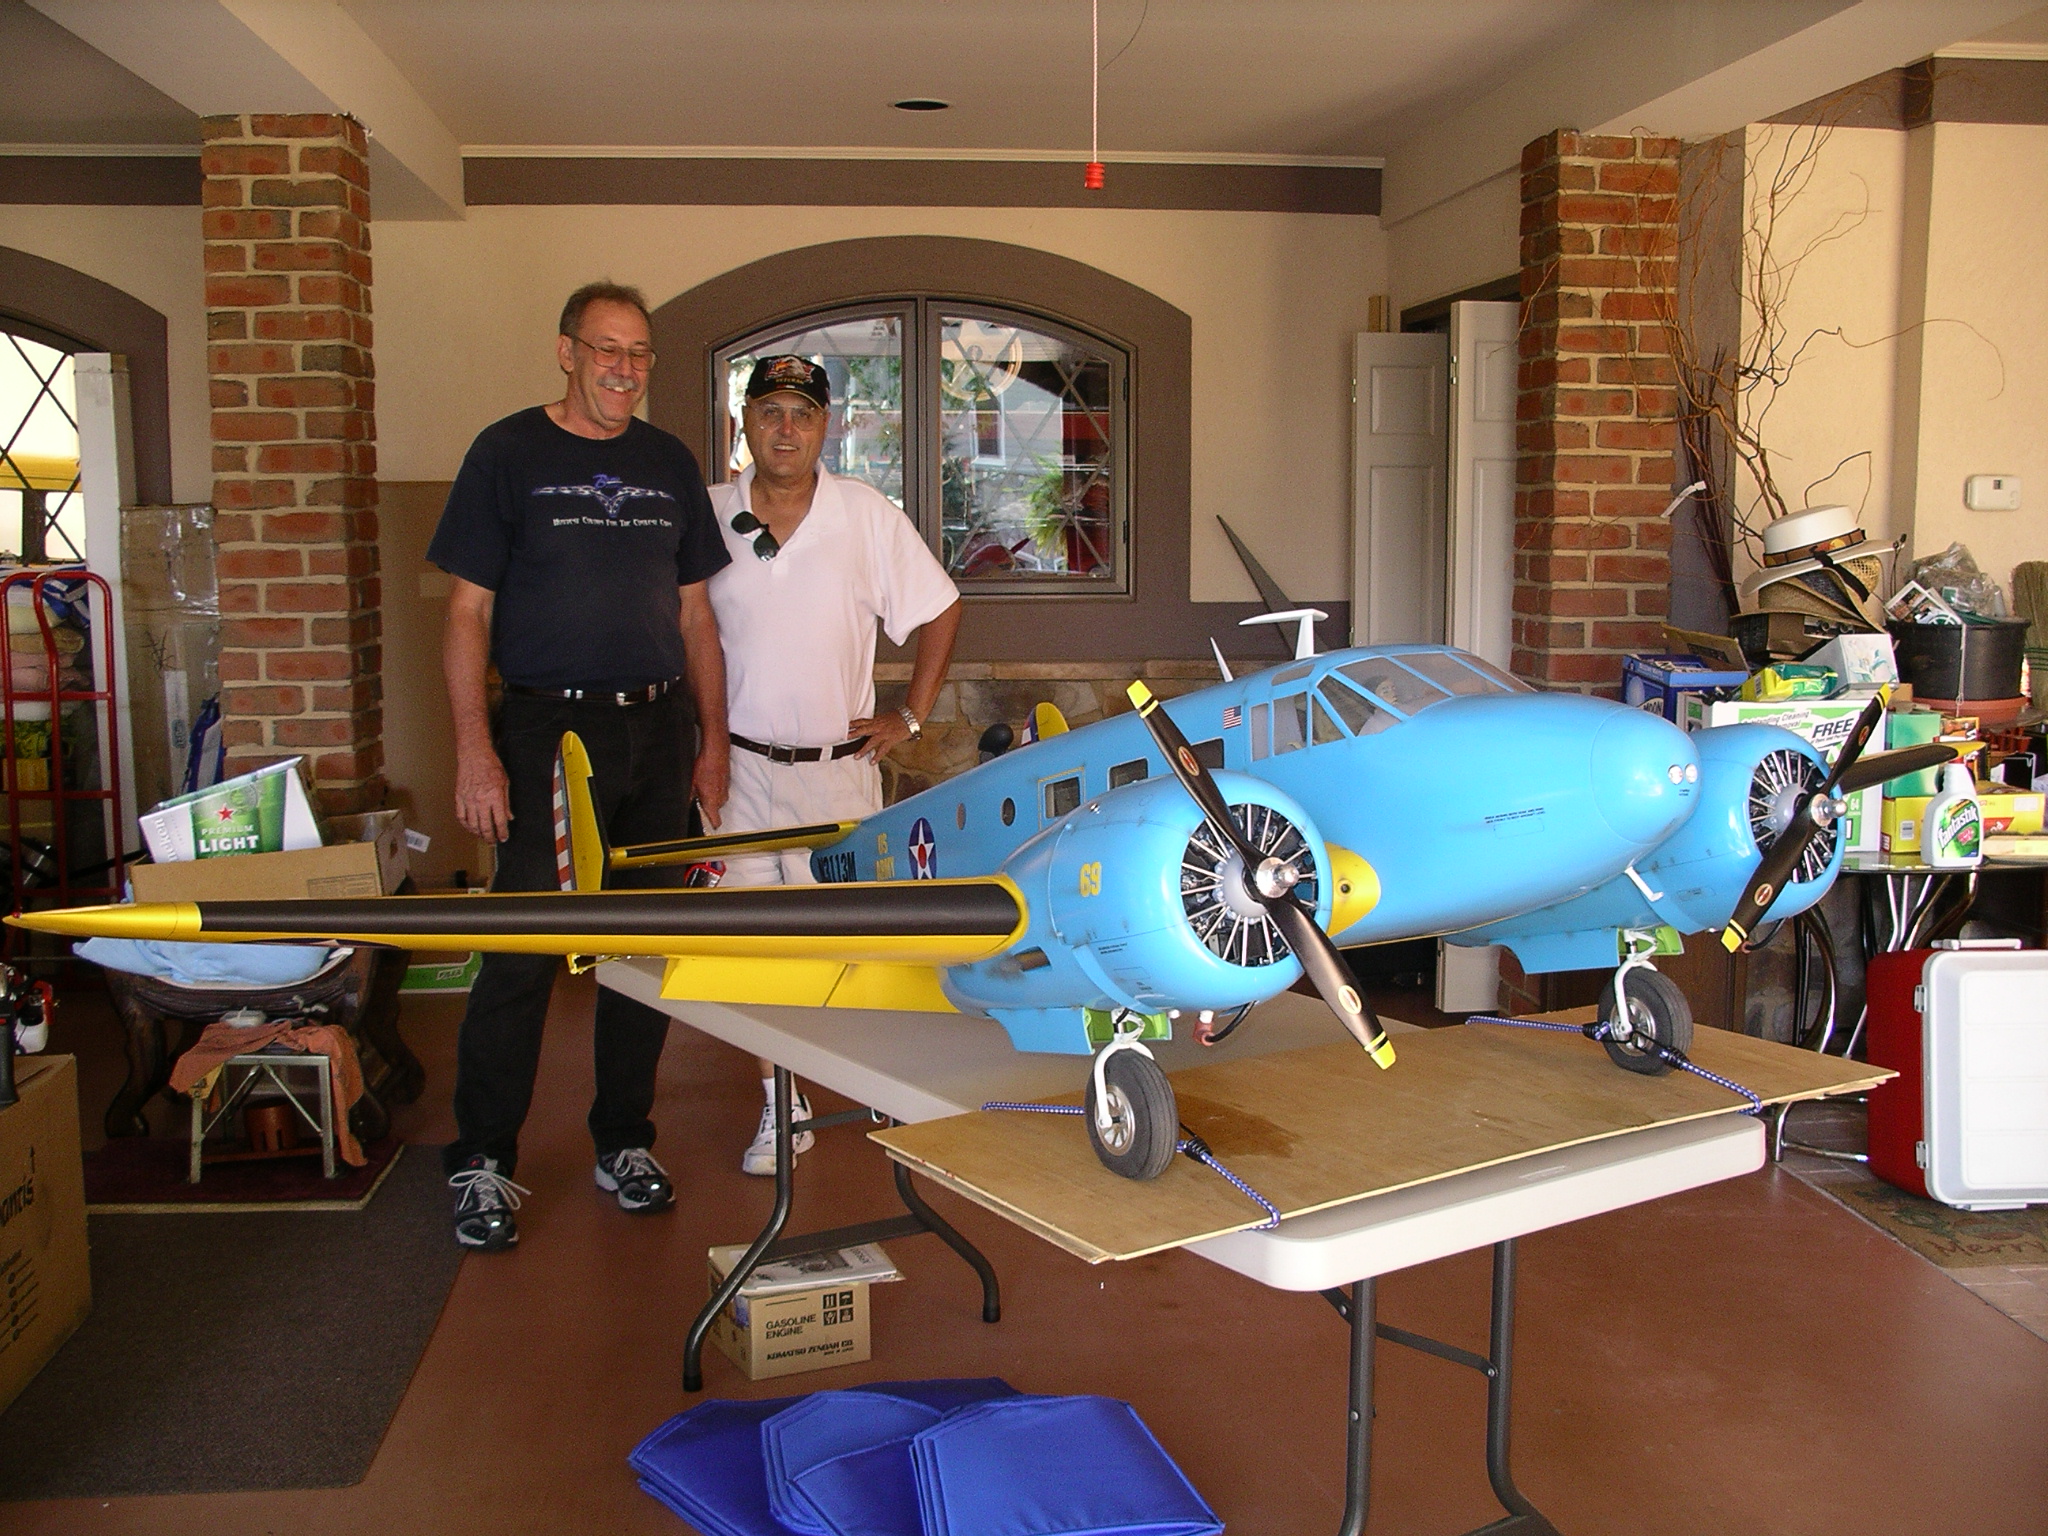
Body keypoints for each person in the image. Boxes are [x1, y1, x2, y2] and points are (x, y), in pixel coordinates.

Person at [426, 281, 731, 1250]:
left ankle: (623, 1141)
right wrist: (475, 750)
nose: (625, 370)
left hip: (656, 730)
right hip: (544, 734)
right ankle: (481, 1158)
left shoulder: (666, 462)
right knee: (523, 946)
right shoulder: (506, 455)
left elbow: (695, 618)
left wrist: (712, 743)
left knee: (638, 950)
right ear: (565, 353)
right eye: (607, 350)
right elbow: (466, 614)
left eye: (639, 354)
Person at [707, 356, 961, 1175]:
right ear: (745, 421)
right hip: (737, 772)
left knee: (845, 939)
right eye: (771, 409)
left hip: (837, 770)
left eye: (803, 413)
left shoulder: (863, 515)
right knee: (748, 949)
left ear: (828, 426)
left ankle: (873, 1086)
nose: (786, 427)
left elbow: (941, 605)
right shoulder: (707, 515)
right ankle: (782, 1107)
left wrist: (911, 715)